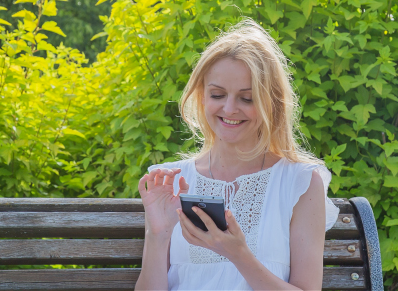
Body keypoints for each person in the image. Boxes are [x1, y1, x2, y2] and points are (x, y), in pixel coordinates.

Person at [135, 18, 340, 290]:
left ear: (271, 102)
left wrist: (238, 254)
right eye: (218, 94)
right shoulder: (171, 182)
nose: (230, 109)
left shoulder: (300, 182)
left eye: (247, 98)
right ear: (201, 97)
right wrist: (158, 235)